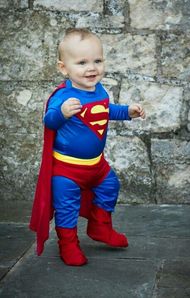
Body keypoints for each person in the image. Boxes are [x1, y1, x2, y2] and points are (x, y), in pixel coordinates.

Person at [30, 28, 146, 266]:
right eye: (82, 62)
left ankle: (100, 227)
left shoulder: (99, 91)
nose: (91, 68)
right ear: (64, 68)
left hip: (96, 166)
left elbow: (105, 110)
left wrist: (127, 112)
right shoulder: (63, 97)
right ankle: (68, 245)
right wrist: (61, 113)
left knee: (110, 185)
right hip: (67, 171)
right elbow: (49, 121)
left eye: (97, 60)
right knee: (67, 208)